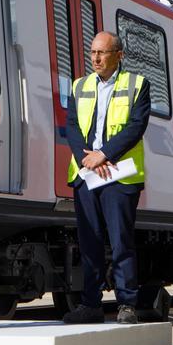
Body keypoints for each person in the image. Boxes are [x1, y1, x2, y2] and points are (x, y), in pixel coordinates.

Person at [63, 31, 151, 325]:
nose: (96, 58)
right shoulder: (79, 86)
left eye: (102, 52)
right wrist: (86, 159)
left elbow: (135, 127)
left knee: (121, 241)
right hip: (86, 174)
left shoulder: (137, 85)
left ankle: (127, 305)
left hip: (119, 176)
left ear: (119, 55)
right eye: (92, 53)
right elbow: (72, 127)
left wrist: (104, 154)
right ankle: (90, 304)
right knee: (89, 242)